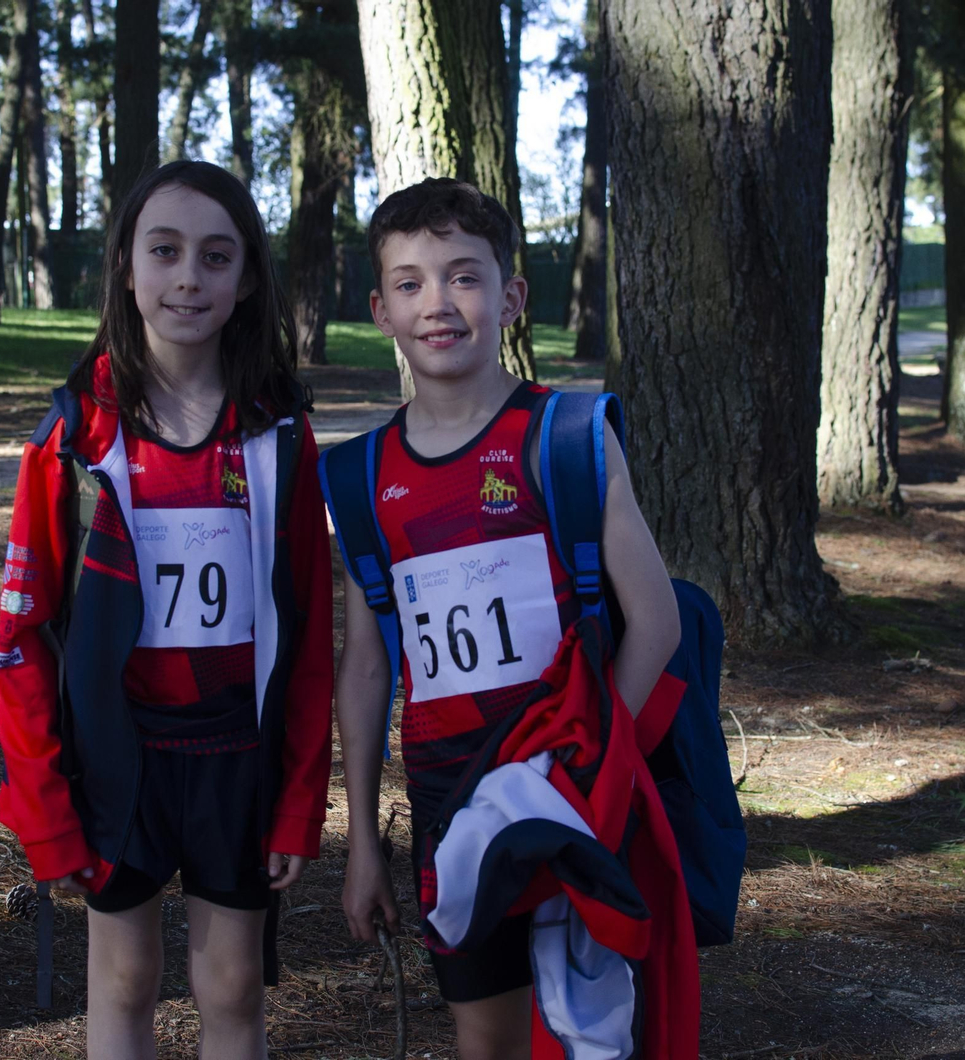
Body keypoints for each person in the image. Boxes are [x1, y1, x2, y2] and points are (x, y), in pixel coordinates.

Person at [331, 178, 694, 1059]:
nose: (438, 303)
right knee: (484, 1036)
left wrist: (589, 764)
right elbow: (369, 668)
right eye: (410, 283)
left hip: (569, 786)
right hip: (450, 798)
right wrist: (363, 843)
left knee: (596, 1027)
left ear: (511, 296)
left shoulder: (567, 436)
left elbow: (658, 624)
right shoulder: (358, 479)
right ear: (381, 309)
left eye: (464, 276)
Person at [0, 160, 332, 1059]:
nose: (189, 276)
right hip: (120, 758)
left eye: (216, 256)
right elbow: (22, 639)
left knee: (231, 985)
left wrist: (301, 801)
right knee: (125, 978)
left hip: (235, 756)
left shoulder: (279, 434)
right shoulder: (73, 439)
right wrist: (44, 807)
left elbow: (306, 644)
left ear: (247, 277)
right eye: (166, 251)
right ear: (127, 269)